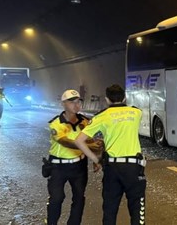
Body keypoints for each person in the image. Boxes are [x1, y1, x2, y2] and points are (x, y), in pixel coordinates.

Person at [74, 84, 146, 225]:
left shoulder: (101, 116)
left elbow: (79, 141)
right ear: (124, 97)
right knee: (137, 209)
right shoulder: (137, 112)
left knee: (110, 210)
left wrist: (96, 159)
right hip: (134, 168)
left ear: (107, 99)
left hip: (112, 168)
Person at [46, 89, 101, 225]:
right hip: (58, 166)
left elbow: (94, 140)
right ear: (63, 104)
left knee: (79, 197)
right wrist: (91, 148)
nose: (76, 105)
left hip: (79, 166)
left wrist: (96, 156)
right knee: (56, 198)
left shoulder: (85, 121)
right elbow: (65, 142)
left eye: (78, 102)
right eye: (72, 102)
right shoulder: (56, 123)